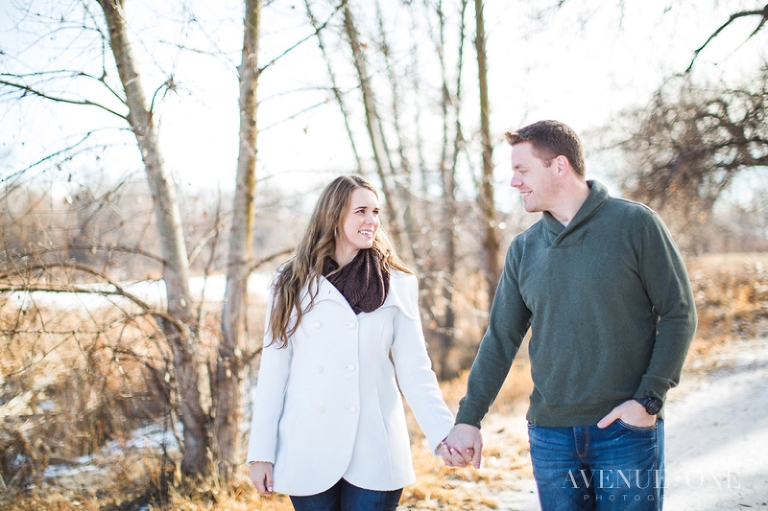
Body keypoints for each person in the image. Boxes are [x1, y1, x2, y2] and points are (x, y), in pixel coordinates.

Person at [442, 120, 697, 511]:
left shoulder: (634, 224)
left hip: (624, 430)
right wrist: (468, 418)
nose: (514, 182)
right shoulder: (524, 249)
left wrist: (648, 400)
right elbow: (500, 340)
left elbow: (678, 313)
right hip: (550, 437)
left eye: (522, 170)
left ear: (559, 166)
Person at [246, 175, 454, 511]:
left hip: (375, 447)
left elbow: (416, 370)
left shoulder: (398, 282)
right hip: (308, 446)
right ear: (333, 217)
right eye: (361, 211)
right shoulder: (291, 282)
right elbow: (273, 374)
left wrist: (444, 435)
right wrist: (261, 454)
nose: (372, 220)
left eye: (375, 212)